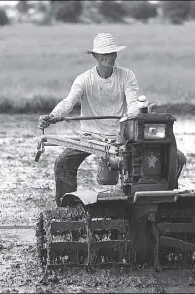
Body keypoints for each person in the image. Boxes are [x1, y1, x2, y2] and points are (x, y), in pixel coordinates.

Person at [39, 32, 141, 206]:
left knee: (139, 164)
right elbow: (69, 102)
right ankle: (67, 208)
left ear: (116, 54)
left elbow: (133, 103)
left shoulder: (127, 75)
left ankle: (133, 206)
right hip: (90, 137)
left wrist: (132, 116)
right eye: (104, 54)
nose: (109, 58)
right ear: (95, 56)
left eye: (112, 53)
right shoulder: (84, 79)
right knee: (63, 162)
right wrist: (53, 116)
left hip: (120, 136)